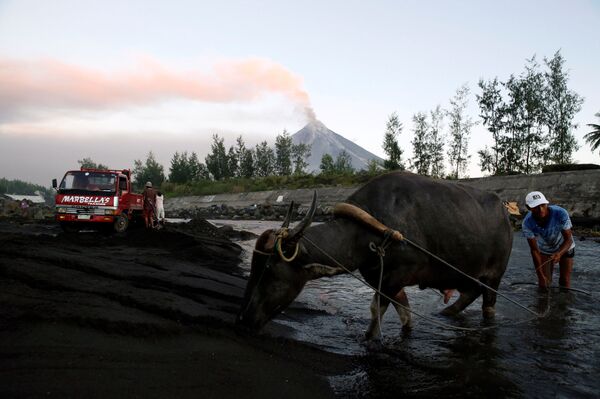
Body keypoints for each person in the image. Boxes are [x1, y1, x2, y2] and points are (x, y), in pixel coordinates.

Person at [522, 191, 575, 289]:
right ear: (529, 208)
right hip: (545, 249)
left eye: (543, 205)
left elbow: (568, 240)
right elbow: (534, 250)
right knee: (545, 282)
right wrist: (540, 276)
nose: (541, 210)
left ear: (547, 204)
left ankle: (564, 302)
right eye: (536, 207)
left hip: (565, 246)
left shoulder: (560, 213)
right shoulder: (527, 223)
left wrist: (559, 253)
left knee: (565, 280)